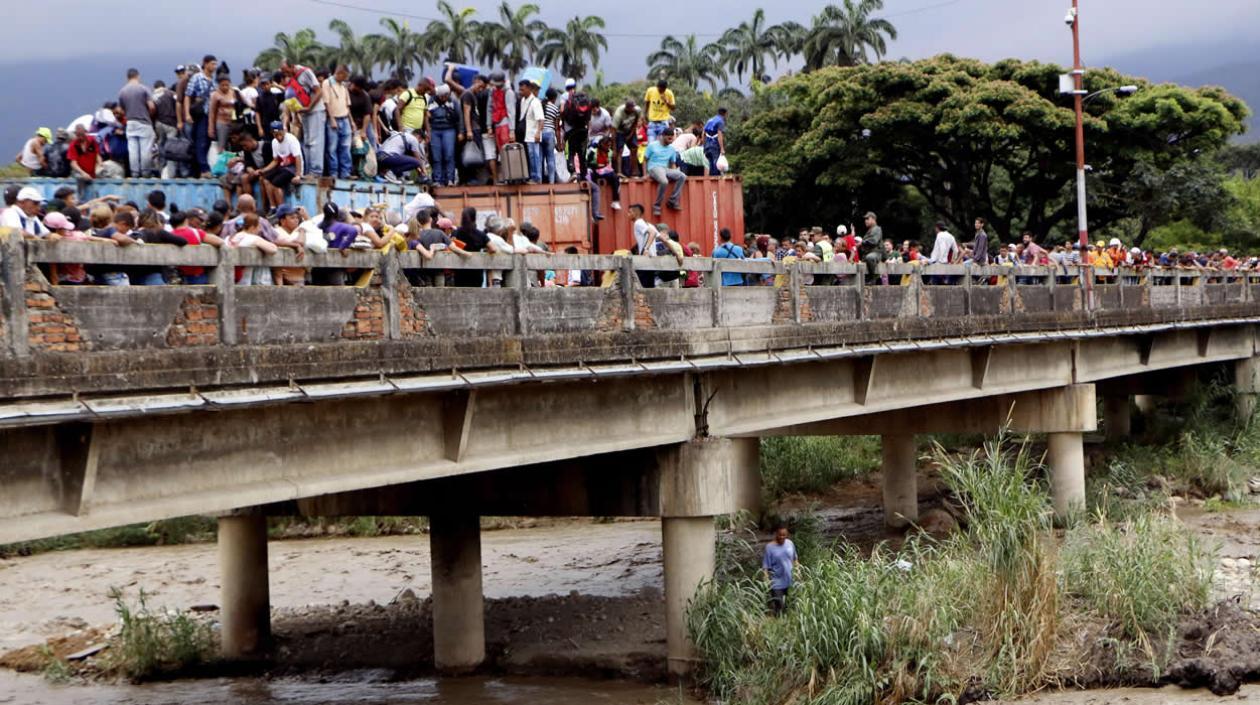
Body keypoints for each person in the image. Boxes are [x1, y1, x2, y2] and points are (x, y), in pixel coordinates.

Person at [280, 59, 325, 179]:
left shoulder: (306, 72)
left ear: (292, 66)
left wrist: (309, 108)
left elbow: (319, 91)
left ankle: (316, 172)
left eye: (286, 71)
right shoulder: (293, 77)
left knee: (316, 142)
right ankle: (309, 170)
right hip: (304, 112)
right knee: (308, 142)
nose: (286, 74)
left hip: (315, 111)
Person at [183, 55, 218, 177]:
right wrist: (187, 114)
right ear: (206, 64)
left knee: (207, 142)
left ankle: (198, 170)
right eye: (212, 64)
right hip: (200, 114)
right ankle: (204, 169)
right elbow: (187, 96)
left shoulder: (214, 80)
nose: (214, 66)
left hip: (211, 115)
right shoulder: (197, 78)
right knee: (200, 141)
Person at [118, 68, 157, 177]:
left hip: (130, 122)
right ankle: (145, 172)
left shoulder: (122, 91)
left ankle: (134, 172)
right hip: (144, 122)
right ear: (137, 76)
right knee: (145, 149)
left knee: (133, 149)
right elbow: (152, 107)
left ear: (127, 77)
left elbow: (121, 111)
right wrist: (148, 114)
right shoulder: (143, 89)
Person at [258, 121, 303, 205]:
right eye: (276, 135)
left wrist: (298, 175)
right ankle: (273, 207)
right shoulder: (274, 142)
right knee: (265, 179)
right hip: (282, 167)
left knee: (276, 182)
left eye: (280, 134)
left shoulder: (291, 139)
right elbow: (275, 160)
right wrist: (264, 170)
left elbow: (298, 158)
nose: (278, 137)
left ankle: (281, 207)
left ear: (283, 131)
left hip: (292, 168)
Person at [228, 212, 279, 286]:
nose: (260, 229)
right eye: (258, 227)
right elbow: (273, 249)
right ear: (252, 227)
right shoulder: (252, 238)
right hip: (243, 281)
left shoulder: (234, 236)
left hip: (231, 278)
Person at [644, 130, 686, 216]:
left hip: (665, 169)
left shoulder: (672, 149)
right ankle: (657, 206)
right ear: (662, 136)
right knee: (664, 181)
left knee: (682, 176)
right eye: (668, 137)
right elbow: (645, 160)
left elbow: (673, 164)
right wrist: (645, 174)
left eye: (672, 137)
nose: (670, 139)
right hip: (654, 167)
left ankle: (672, 201)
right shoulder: (652, 145)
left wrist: (674, 174)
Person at [429, 84, 464, 186]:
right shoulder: (431, 101)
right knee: (436, 156)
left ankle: (450, 179)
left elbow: (459, 117)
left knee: (449, 155)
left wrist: (461, 132)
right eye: (442, 96)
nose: (444, 98)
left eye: (446, 96)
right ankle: (437, 180)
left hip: (449, 130)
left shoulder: (453, 102)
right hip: (434, 130)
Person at [323, 65, 353, 179]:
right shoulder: (327, 83)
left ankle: (345, 173)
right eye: (344, 76)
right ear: (339, 73)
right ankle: (334, 173)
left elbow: (347, 105)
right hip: (334, 119)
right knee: (332, 148)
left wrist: (352, 122)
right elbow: (326, 103)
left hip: (345, 118)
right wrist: (331, 119)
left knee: (345, 147)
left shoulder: (343, 86)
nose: (345, 79)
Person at [763, 524, 799, 616]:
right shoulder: (769, 547)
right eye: (780, 534)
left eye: (784, 535)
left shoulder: (790, 543)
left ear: (787, 535)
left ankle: (788, 626)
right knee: (780, 606)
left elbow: (795, 559)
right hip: (776, 582)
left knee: (790, 606)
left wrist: (798, 571)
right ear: (776, 534)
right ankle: (777, 624)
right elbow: (766, 566)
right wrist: (766, 579)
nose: (782, 537)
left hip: (790, 580)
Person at [452, 207, 490, 287]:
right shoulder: (481, 234)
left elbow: (450, 246)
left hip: (459, 273)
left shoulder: (456, 233)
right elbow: (493, 249)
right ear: (474, 218)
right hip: (476, 272)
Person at [585, 136, 621, 220]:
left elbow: (610, 164)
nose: (608, 147)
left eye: (609, 145)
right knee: (589, 176)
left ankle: (615, 201)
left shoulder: (610, 152)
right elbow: (587, 163)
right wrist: (596, 166)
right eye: (606, 145)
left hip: (604, 170)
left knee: (615, 177)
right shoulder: (593, 151)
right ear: (601, 144)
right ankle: (592, 211)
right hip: (594, 170)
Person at [561, 92, 592, 180]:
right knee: (582, 154)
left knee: (571, 152)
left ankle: (573, 172)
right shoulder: (587, 105)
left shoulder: (569, 105)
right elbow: (588, 120)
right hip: (583, 131)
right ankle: (584, 175)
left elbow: (564, 116)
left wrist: (564, 137)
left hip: (572, 132)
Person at [520, 80, 544, 184]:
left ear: (529, 89)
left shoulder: (535, 102)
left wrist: (538, 133)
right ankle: (532, 176)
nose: (521, 91)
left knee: (535, 156)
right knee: (530, 156)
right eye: (520, 89)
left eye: (523, 89)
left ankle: (537, 178)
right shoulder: (522, 100)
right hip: (526, 134)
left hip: (533, 135)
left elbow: (541, 119)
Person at [207, 75, 239, 154]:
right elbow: (212, 112)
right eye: (223, 85)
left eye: (227, 85)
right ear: (219, 85)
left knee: (233, 144)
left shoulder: (232, 92)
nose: (225, 87)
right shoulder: (215, 95)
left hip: (232, 122)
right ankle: (220, 162)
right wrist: (211, 127)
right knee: (221, 145)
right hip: (221, 122)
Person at [611, 99, 640, 177]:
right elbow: (613, 131)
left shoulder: (637, 110)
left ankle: (634, 172)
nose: (632, 111)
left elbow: (636, 122)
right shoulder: (619, 114)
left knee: (634, 148)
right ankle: (619, 172)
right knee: (620, 150)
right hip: (619, 131)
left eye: (633, 109)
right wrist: (614, 148)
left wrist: (630, 135)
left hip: (630, 129)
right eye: (630, 110)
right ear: (626, 108)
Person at [541, 88, 561, 184]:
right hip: (550, 134)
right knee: (550, 158)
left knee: (540, 158)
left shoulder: (541, 105)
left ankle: (540, 181)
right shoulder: (555, 109)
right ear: (554, 98)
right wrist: (559, 142)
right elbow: (557, 128)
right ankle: (551, 182)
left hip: (540, 133)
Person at [703, 107, 728, 175]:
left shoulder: (710, 120)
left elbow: (703, 133)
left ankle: (711, 181)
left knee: (710, 164)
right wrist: (722, 148)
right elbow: (720, 135)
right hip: (714, 145)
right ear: (725, 114)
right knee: (716, 164)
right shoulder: (720, 121)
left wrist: (704, 145)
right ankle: (715, 182)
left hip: (707, 145)